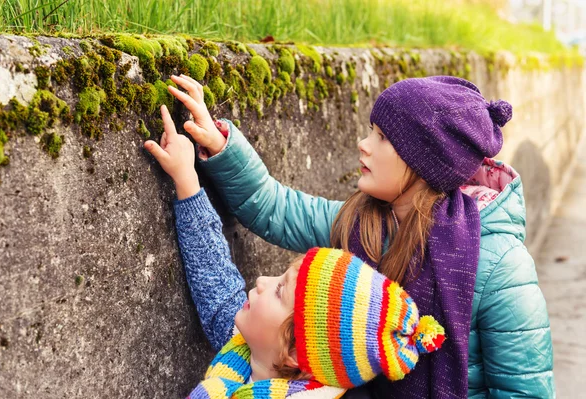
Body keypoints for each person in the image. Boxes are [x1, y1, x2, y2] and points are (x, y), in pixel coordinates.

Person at [161, 73, 555, 398]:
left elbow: (525, 391)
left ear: (423, 163)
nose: (363, 145)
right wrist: (221, 143)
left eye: (382, 137)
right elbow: (274, 206)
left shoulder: (501, 265)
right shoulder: (360, 225)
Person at [143, 107, 445, 398]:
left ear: (294, 354)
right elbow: (216, 284)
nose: (261, 279)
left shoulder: (254, 356)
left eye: (279, 291)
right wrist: (186, 179)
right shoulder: (250, 350)